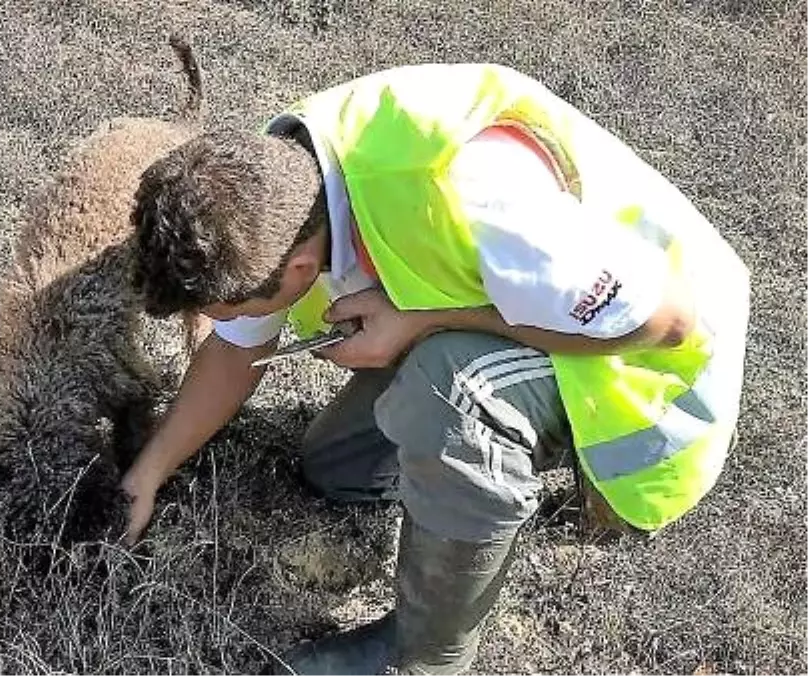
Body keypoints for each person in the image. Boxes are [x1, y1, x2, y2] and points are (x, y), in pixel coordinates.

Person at [121, 63, 751, 675]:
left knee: (451, 393)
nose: (222, 318)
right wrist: (147, 474)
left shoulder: (478, 192)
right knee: (335, 467)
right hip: (544, 306)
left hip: (649, 372)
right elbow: (234, 350)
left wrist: (422, 322)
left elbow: (668, 322)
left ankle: (424, 653)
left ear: (298, 274)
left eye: (223, 306)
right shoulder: (271, 188)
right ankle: (458, 489)